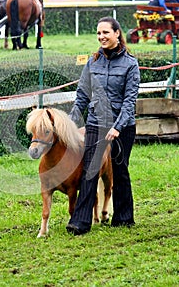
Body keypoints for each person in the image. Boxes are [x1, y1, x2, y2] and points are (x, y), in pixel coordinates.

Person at [66, 16, 140, 236]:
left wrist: (117, 126)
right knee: (90, 169)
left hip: (123, 127)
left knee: (120, 169)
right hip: (96, 123)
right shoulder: (93, 61)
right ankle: (80, 221)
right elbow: (82, 95)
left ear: (117, 33)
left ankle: (124, 218)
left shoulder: (130, 64)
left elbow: (129, 101)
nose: (101, 37)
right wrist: (71, 121)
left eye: (105, 32)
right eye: (98, 33)